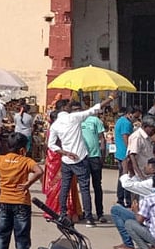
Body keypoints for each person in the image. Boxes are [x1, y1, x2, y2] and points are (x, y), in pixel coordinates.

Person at [47, 96, 114, 226]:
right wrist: (111, 98)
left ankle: (62, 214)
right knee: (84, 189)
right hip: (80, 158)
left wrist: (65, 152)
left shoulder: (55, 125)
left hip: (67, 159)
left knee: (65, 188)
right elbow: (94, 109)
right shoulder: (73, 117)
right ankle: (89, 218)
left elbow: (51, 145)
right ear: (65, 108)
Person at [0, 133, 43, 249]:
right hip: (21, 203)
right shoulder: (26, 161)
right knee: (22, 239)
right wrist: (28, 184)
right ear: (22, 149)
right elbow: (39, 171)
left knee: (2, 236)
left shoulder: (0, 160)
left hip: (4, 202)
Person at [43, 109, 83, 222]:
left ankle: (52, 210)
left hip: (52, 158)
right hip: (62, 157)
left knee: (54, 185)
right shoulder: (61, 127)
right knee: (66, 184)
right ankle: (66, 211)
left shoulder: (51, 128)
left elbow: (47, 145)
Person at [80, 103, 107, 223]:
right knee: (84, 187)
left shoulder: (95, 120)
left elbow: (102, 138)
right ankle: (88, 214)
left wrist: (103, 154)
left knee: (97, 186)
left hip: (95, 156)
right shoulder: (77, 120)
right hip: (82, 157)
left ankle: (100, 213)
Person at [114, 106, 141, 208]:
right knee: (126, 177)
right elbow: (126, 137)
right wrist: (130, 151)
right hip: (125, 153)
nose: (136, 119)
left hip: (121, 152)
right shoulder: (126, 123)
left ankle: (121, 199)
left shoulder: (121, 120)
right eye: (135, 116)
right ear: (130, 114)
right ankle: (125, 199)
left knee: (122, 176)